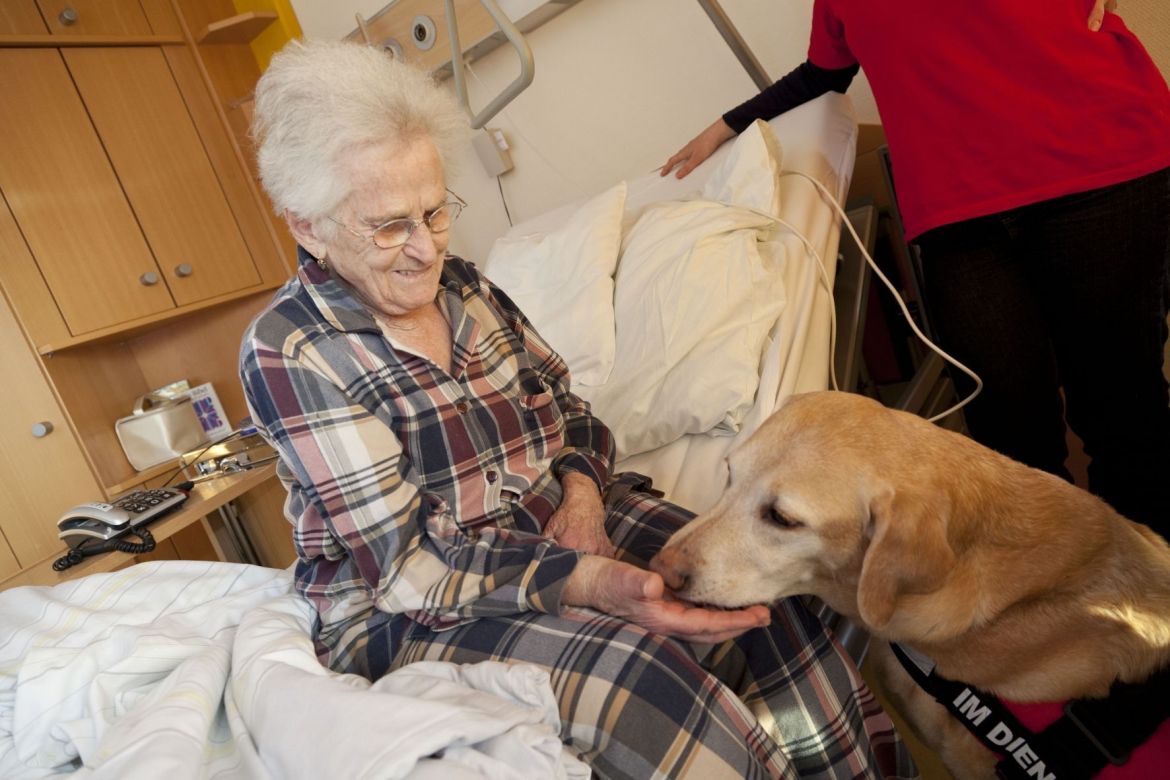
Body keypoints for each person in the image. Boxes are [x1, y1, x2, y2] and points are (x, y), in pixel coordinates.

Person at [240, 40, 914, 778]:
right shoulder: (292, 350)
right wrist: (588, 583)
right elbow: (409, 568)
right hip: (407, 605)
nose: (425, 250)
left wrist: (586, 498)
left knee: (766, 615)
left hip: (556, 519)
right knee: (649, 681)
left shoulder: (466, 286)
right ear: (307, 224)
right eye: (389, 225)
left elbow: (570, 412)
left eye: (435, 213)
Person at [664, 0, 1170, 538]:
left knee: (1121, 407)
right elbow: (825, 73)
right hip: (958, 217)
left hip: (1101, 168)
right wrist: (726, 124)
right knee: (1008, 430)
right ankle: (1056, 587)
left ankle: (1148, 585)